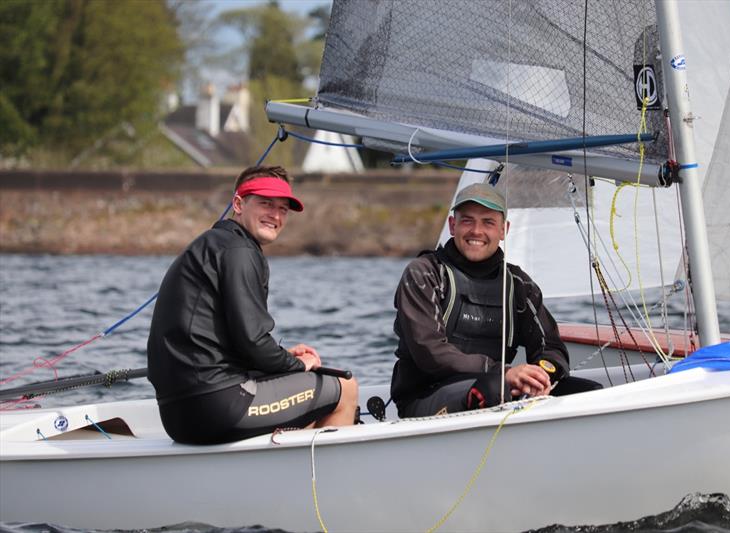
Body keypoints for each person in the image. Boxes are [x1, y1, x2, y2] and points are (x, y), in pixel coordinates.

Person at [147, 165, 358, 444]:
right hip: (217, 406)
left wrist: (283, 357)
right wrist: (296, 365)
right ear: (238, 204)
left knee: (307, 401)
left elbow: (235, 343)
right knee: (344, 388)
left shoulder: (211, 244)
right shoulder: (239, 251)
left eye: (283, 209)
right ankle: (327, 485)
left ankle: (287, 477)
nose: (276, 215)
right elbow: (253, 342)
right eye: (266, 203)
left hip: (177, 415)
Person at [390, 182, 600, 418]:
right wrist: (505, 373)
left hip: (497, 385)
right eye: (467, 220)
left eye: (488, 222)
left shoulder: (518, 284)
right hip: (425, 397)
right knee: (492, 390)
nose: (476, 231)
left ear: (503, 230)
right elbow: (431, 353)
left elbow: (551, 349)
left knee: (589, 393)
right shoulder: (424, 273)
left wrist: (540, 376)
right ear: (452, 225)